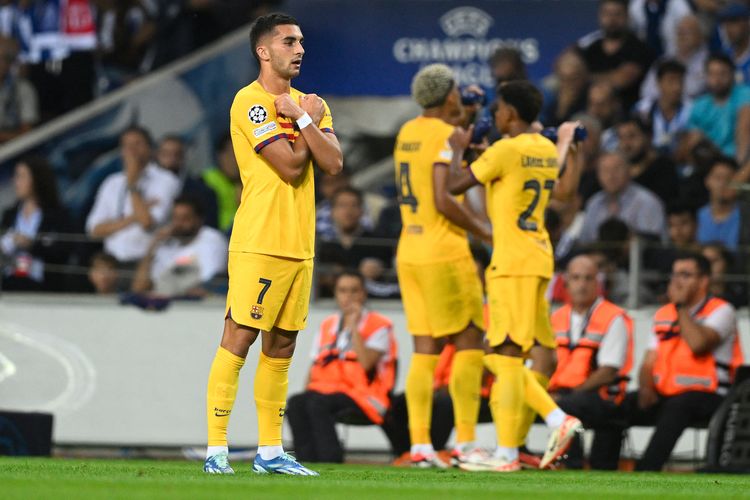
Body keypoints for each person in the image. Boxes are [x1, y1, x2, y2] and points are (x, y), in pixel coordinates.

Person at [203, 13, 342, 476]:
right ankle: (216, 451)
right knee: (238, 338)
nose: (299, 49)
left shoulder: (311, 104)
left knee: (281, 348)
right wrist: (311, 124)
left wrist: (304, 116)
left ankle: (268, 452)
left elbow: (334, 163)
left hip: (299, 245)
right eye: (288, 41)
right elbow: (289, 166)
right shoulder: (251, 102)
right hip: (260, 240)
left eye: (301, 41)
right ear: (264, 51)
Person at [446, 80, 584, 472]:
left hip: (511, 263)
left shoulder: (506, 149)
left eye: (499, 109)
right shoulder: (542, 147)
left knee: (504, 356)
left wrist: (459, 152)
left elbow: (456, 185)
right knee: (538, 355)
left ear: (511, 113)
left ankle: (549, 426)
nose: (495, 115)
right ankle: (515, 447)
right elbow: (558, 185)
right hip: (539, 258)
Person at [393, 64, 490, 468]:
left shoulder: (408, 132)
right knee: (469, 341)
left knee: (425, 350)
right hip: (443, 251)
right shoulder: (443, 135)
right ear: (449, 94)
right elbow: (443, 196)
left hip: (409, 249)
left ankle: (420, 446)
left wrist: (467, 125)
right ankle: (466, 443)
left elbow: (444, 155)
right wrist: (485, 231)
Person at [605, 252, 743, 471]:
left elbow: (698, 344)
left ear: (703, 280)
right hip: (667, 392)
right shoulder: (663, 313)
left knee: (679, 405)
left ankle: (646, 471)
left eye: (685, 275)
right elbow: (649, 361)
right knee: (618, 403)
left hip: (711, 395)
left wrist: (680, 307)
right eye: (675, 275)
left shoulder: (721, 310)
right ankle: (602, 468)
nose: (677, 281)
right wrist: (646, 387)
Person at [286, 271, 397, 464]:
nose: (349, 297)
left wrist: (354, 327)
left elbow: (367, 363)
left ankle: (330, 460)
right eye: (343, 291)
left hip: (363, 394)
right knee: (297, 402)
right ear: (336, 294)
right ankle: (305, 461)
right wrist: (307, 391)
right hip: (326, 389)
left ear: (363, 294)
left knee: (317, 404)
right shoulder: (328, 324)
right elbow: (316, 364)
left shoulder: (379, 324)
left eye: (354, 291)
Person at [549, 255, 634, 470]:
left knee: (563, 406)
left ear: (598, 283)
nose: (582, 284)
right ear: (566, 282)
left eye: (588, 278)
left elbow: (608, 371)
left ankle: (573, 465)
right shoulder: (556, 317)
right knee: (523, 400)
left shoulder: (612, 317)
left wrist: (570, 393)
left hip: (603, 397)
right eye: (576, 278)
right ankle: (517, 457)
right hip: (564, 392)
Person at [85, 126, 180, 265]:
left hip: (149, 263)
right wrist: (132, 218)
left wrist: (132, 186)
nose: (132, 150)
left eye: (137, 144)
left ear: (150, 149)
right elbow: (93, 230)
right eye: (126, 145)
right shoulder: (112, 182)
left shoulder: (166, 180)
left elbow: (147, 223)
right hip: (113, 263)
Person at [130, 195, 227, 297]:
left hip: (195, 306)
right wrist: (153, 245)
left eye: (185, 218)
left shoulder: (212, 239)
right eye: (175, 218)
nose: (178, 224)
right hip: (163, 304)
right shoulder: (167, 243)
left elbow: (208, 286)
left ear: (199, 219)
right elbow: (138, 288)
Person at [0, 156, 70, 291]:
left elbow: (63, 251)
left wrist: (31, 244)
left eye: (21, 176)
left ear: (37, 179)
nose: (15, 182)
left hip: (42, 286)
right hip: (9, 282)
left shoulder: (57, 215)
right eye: (16, 176)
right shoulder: (10, 214)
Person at [577, 0, 654, 109]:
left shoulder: (638, 48)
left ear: (627, 16)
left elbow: (621, 80)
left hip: (626, 111)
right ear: (600, 16)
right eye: (607, 14)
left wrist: (585, 78)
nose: (612, 20)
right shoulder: (591, 48)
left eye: (617, 14)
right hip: (588, 110)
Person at [578, 152, 667, 243]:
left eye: (616, 169)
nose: (611, 175)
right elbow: (585, 242)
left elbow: (654, 245)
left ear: (630, 171)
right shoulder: (594, 203)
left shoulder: (648, 202)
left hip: (638, 256)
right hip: (597, 256)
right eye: (605, 170)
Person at [686, 53, 750, 161]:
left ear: (732, 74)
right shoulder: (699, 105)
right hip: (711, 159)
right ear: (706, 76)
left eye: (722, 73)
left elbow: (746, 127)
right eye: (712, 74)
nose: (717, 79)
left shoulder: (745, 93)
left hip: (739, 157)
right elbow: (693, 140)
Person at [634, 59, 693, 155]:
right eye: (671, 81)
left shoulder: (692, 110)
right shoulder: (642, 109)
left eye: (680, 81)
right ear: (658, 82)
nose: (676, 87)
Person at [616, 116, 679, 203]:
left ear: (649, 137)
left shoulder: (664, 167)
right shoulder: (616, 170)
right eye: (621, 138)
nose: (626, 144)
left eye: (632, 136)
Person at [697, 156, 749, 251]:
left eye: (728, 179)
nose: (723, 183)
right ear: (707, 181)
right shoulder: (697, 216)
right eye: (718, 178)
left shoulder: (746, 214)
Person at [0, 36, 38, 143]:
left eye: (2, 58)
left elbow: (27, 135)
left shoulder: (22, 89)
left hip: (11, 153)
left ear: (9, 63)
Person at [628, 0, 693, 57]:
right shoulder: (636, 6)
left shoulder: (678, 4)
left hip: (674, 55)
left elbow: (689, 30)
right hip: (645, 56)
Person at [715, 3, 750, 84]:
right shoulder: (723, 55)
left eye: (734, 22)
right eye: (726, 24)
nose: (728, 29)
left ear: (748, 23)